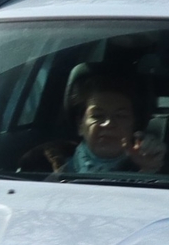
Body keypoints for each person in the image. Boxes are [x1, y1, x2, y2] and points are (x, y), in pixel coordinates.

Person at [25, 63, 166, 176]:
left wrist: (149, 170)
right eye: (97, 116)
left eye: (120, 116)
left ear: (135, 125)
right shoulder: (41, 165)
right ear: (80, 124)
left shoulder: (156, 165)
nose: (108, 123)